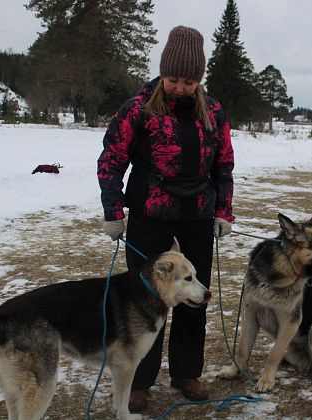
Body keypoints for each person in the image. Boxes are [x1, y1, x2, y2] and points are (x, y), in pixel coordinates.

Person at [97, 25, 234, 411]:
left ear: (199, 80)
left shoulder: (215, 112)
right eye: (173, 79)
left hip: (197, 214)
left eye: (189, 81)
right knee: (144, 300)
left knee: (195, 296)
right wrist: (113, 210)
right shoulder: (138, 108)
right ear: (162, 73)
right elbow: (111, 160)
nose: (179, 87)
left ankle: (186, 373)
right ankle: (139, 380)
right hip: (151, 212)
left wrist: (223, 210)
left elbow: (224, 163)